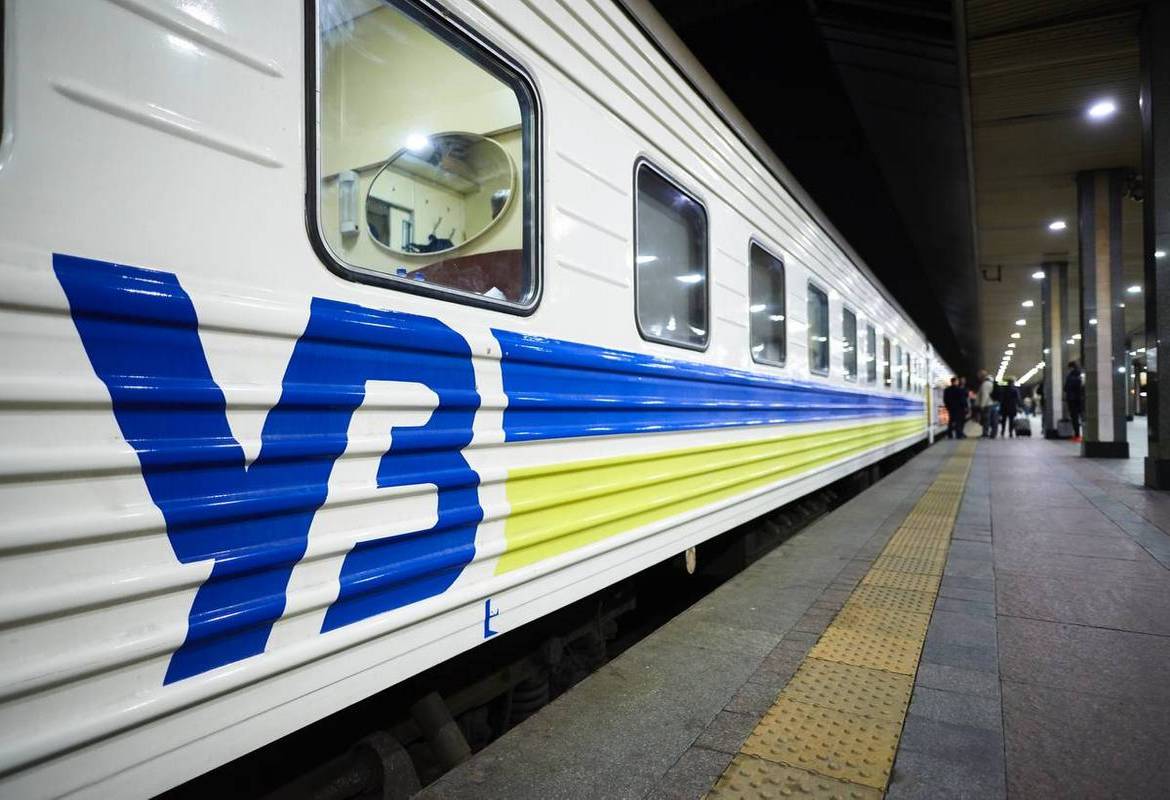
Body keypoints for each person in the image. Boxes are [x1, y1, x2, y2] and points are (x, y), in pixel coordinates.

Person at [1064, 361, 1085, 442]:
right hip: (1080, 399)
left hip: (1072, 400)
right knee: (1082, 417)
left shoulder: (1070, 377)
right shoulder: (1080, 376)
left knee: (1074, 418)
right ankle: (1081, 435)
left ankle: (1077, 435)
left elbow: (1065, 388)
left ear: (1071, 368)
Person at [975, 370, 997, 438]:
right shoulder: (990, 382)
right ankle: (993, 433)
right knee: (993, 419)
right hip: (992, 404)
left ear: (982, 376)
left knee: (986, 420)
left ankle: (985, 433)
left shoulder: (985, 384)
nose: (978, 378)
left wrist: (982, 405)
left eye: (979, 376)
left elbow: (985, 395)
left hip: (987, 405)